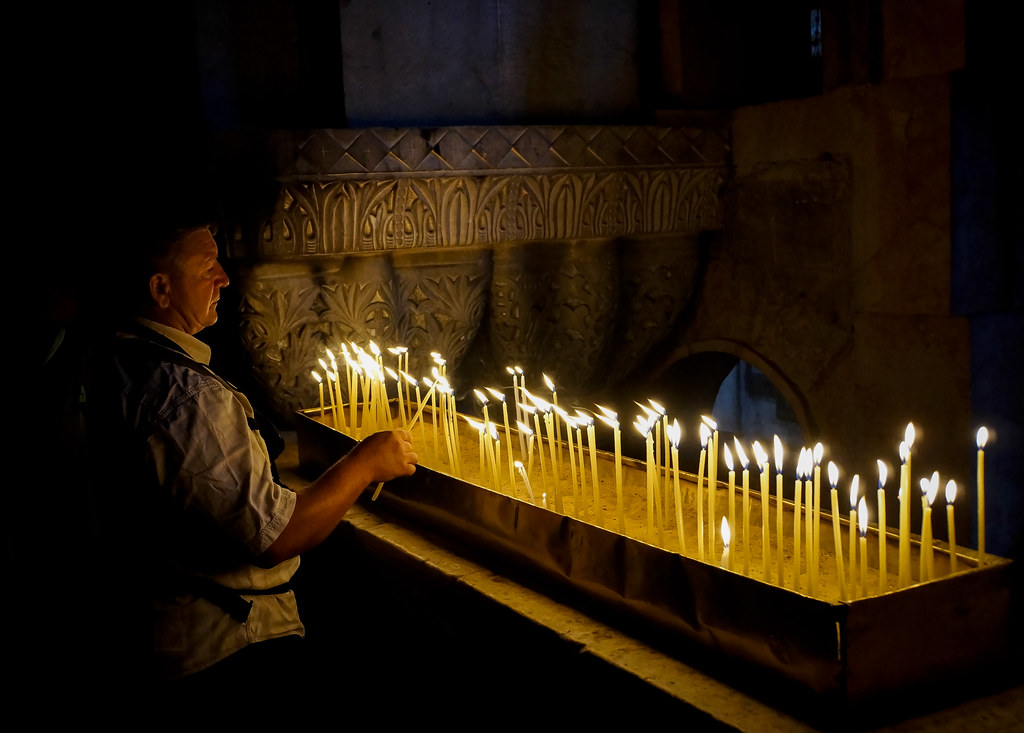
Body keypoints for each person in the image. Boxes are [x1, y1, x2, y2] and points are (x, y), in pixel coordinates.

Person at [84, 211, 418, 702]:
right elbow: (276, 536)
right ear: (161, 289)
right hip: (225, 650)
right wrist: (366, 462)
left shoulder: (122, 358)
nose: (223, 278)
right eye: (206, 268)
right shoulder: (186, 397)